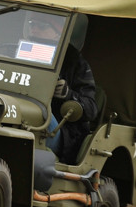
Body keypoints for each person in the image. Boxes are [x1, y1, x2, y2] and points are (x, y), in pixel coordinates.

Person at [38, 15, 98, 162]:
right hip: (19, 115)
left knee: (41, 113)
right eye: (31, 24)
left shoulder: (74, 62)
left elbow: (91, 108)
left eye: (42, 26)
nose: (33, 29)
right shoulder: (20, 50)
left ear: (58, 31)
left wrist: (68, 94)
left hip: (61, 131)